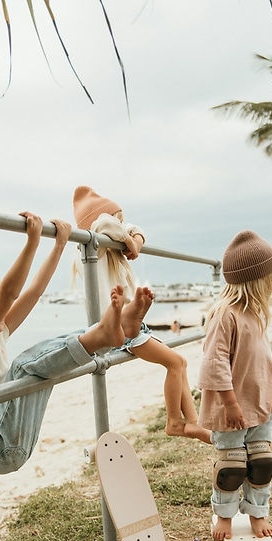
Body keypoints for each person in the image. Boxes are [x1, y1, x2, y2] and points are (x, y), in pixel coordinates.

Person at [0, 211, 154, 475]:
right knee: (24, 368)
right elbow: (10, 294)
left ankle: (121, 331)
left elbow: (34, 292)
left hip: (12, 437)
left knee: (44, 363)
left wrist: (59, 245)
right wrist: (33, 240)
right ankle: (104, 334)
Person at [72, 185, 211, 445]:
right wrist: (127, 239)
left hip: (131, 327)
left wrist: (133, 240)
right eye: (119, 221)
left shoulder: (109, 250)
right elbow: (103, 222)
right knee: (176, 363)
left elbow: (136, 228)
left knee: (179, 361)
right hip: (115, 328)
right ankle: (176, 422)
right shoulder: (93, 251)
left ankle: (192, 422)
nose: (122, 226)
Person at [197, 230, 272, 540]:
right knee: (232, 466)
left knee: (261, 462)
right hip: (231, 408)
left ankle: (258, 513)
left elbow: (260, 360)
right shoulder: (225, 315)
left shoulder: (255, 313)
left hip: (260, 404)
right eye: (270, 277)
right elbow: (214, 363)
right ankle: (224, 515)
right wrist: (231, 404)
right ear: (255, 279)